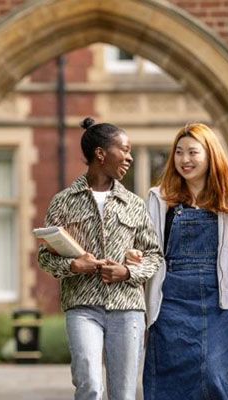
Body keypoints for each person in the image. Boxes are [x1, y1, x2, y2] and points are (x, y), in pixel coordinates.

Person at [139, 123, 228, 399]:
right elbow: (146, 247)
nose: (184, 160)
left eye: (193, 152)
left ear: (210, 155)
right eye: (179, 152)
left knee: (213, 374)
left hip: (218, 303)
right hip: (169, 303)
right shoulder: (159, 199)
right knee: (167, 382)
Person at [37, 117, 163, 400]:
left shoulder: (134, 204)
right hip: (82, 308)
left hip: (128, 309)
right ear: (101, 154)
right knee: (90, 385)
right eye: (125, 150)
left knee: (124, 394)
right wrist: (73, 265)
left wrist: (128, 272)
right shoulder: (64, 201)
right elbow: (45, 257)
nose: (129, 157)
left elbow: (155, 256)